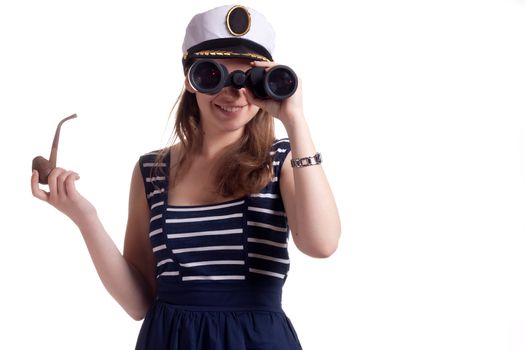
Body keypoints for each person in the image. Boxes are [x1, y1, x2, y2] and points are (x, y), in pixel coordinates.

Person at [31, 4, 340, 350]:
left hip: (257, 342)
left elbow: (321, 244)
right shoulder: (152, 172)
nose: (233, 92)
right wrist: (85, 218)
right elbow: (138, 304)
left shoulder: (282, 159)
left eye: (248, 78)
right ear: (191, 79)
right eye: (214, 76)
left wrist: (295, 120)